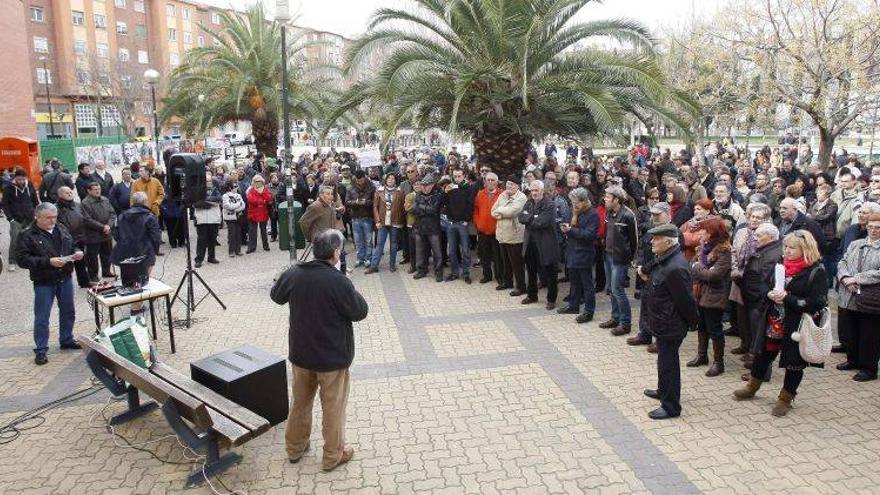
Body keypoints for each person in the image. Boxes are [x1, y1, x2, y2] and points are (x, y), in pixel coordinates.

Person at [270, 229, 368, 472]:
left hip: (301, 354)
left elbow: (276, 295)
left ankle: (295, 447)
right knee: (333, 408)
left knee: (300, 402)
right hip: (331, 358)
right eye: (341, 250)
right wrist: (349, 285)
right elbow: (360, 311)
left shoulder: (295, 273)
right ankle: (333, 455)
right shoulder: (338, 281)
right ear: (335, 253)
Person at [735, 230, 827, 417]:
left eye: (792, 248)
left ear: (805, 249)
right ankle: (752, 386)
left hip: (797, 325)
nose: (787, 251)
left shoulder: (816, 271)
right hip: (774, 320)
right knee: (763, 355)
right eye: (786, 246)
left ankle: (786, 398)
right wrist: (768, 293)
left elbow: (817, 302)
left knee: (794, 364)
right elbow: (765, 284)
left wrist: (788, 299)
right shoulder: (780, 263)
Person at [642, 223, 698, 420]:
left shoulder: (675, 267)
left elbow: (685, 300)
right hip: (662, 322)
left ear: (668, 242)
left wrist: (693, 323)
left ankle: (671, 406)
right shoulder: (665, 258)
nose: (652, 242)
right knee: (664, 360)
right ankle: (663, 390)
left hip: (670, 324)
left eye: (656, 239)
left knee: (669, 363)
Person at [15, 203, 84, 365]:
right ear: (37, 217)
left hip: (65, 277)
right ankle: (41, 349)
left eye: (54, 217)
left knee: (68, 311)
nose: (52, 221)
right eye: (48, 218)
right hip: (44, 281)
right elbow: (22, 259)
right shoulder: (27, 234)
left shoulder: (61, 228)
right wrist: (48, 262)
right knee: (42, 316)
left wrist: (76, 252)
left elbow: (71, 244)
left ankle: (66, 339)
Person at [835, 213, 880, 381]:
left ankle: (868, 368)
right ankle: (852, 360)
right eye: (870, 227)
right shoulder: (856, 244)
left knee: (869, 334)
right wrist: (845, 278)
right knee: (851, 329)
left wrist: (858, 279)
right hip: (849, 293)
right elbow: (843, 262)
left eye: (877, 227)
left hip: (871, 298)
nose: (873, 230)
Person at [688, 217, 732, 377]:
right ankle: (702, 356)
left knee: (715, 329)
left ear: (713, 233)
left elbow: (713, 275)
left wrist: (697, 267)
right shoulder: (704, 247)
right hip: (700, 293)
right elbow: (693, 265)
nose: (702, 233)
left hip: (715, 296)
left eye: (705, 230)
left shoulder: (724, 251)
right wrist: (698, 268)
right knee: (702, 326)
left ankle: (718, 363)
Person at [740, 223, 784, 380]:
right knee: (757, 337)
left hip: (760, 302)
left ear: (771, 237)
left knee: (762, 340)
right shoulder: (766, 250)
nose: (755, 238)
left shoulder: (772, 255)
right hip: (755, 300)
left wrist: (757, 298)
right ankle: (758, 368)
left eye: (759, 236)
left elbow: (765, 281)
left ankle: (762, 373)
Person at [558, 187, 599, 322]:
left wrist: (570, 231)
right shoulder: (573, 210)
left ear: (584, 201)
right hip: (571, 251)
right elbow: (569, 224)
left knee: (587, 285)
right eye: (572, 201)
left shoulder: (593, 214)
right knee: (574, 282)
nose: (573, 204)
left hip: (584, 253)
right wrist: (565, 227)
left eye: (576, 202)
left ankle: (589, 311)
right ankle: (573, 305)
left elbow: (589, 235)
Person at [518, 180, 560, 309]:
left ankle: (551, 299)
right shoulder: (529, 202)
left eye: (536, 190)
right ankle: (532, 295)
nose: (534, 193)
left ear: (542, 190)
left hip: (546, 243)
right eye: (532, 190)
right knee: (531, 271)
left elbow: (543, 222)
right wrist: (533, 217)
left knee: (550, 272)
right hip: (530, 243)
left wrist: (529, 218)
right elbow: (520, 217)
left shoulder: (550, 204)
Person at [602, 186, 637, 336]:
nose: (605, 199)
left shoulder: (628, 215)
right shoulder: (609, 212)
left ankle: (626, 323)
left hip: (620, 259)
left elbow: (634, 240)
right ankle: (615, 318)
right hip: (608, 255)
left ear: (617, 200)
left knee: (618, 290)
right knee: (611, 288)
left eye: (608, 197)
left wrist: (630, 259)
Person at [491, 176, 528, 295]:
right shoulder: (503, 195)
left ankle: (521, 286)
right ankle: (508, 282)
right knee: (505, 261)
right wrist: (503, 211)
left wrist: (500, 211)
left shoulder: (521, 197)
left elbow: (513, 212)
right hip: (502, 234)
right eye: (507, 184)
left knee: (517, 263)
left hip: (515, 235)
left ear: (517, 186)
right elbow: (493, 211)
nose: (509, 186)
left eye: (512, 184)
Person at [111, 192, 162, 275]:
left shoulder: (122, 216)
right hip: (145, 251)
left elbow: (116, 234)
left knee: (127, 281)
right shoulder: (150, 217)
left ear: (133, 201)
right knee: (143, 281)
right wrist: (155, 250)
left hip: (125, 251)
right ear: (146, 201)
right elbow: (156, 236)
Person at [2, 167, 40, 273]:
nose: (21, 181)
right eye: (19, 179)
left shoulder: (30, 185)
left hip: (30, 217)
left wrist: (37, 213)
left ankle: (31, 258)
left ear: (26, 178)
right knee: (15, 239)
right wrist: (11, 219)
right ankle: (12, 261)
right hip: (16, 219)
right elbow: (5, 204)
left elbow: (35, 200)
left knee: (32, 238)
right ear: (15, 178)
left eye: (23, 179)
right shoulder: (9, 187)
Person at [367, 173, 405, 273]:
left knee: (393, 244)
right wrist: (377, 221)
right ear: (386, 180)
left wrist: (401, 220)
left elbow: (402, 207)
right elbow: (375, 207)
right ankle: (374, 266)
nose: (391, 180)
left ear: (395, 180)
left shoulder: (400, 192)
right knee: (379, 244)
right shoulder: (379, 191)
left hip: (395, 222)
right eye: (389, 178)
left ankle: (392, 265)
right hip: (382, 222)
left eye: (393, 178)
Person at [80, 182, 117, 282]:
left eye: (99, 189)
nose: (97, 191)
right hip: (93, 234)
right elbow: (87, 219)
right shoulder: (85, 203)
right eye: (95, 189)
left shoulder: (105, 199)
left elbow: (112, 214)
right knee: (92, 257)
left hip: (107, 233)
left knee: (107, 254)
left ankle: (106, 271)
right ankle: (93, 274)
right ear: (89, 191)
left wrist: (109, 225)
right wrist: (102, 227)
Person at [55, 186, 91, 288]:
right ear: (60, 195)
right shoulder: (56, 208)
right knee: (67, 262)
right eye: (67, 193)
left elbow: (85, 218)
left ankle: (84, 282)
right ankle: (65, 283)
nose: (70, 194)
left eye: (70, 192)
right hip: (65, 239)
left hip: (80, 237)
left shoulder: (78, 205)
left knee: (81, 262)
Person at [443, 168, 474, 283]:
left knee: (465, 250)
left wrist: (467, 219)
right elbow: (444, 203)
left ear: (463, 176)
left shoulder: (468, 188)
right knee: (451, 250)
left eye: (459, 176)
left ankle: (466, 273)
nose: (457, 178)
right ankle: (454, 272)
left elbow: (471, 205)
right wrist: (445, 192)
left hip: (462, 223)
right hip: (451, 223)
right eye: (455, 176)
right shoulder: (450, 187)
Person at [473, 172, 503, 285]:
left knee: (497, 257)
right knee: (484, 255)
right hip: (482, 231)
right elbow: (475, 209)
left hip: (496, 231)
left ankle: (499, 276)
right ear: (485, 182)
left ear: (497, 182)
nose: (490, 182)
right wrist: (477, 222)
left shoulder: (502, 194)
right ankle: (487, 275)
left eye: (492, 180)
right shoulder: (480, 194)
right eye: (488, 180)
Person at [413, 174, 444, 282]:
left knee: (437, 251)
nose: (425, 187)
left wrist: (422, 208)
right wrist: (425, 209)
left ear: (432, 185)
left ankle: (439, 272)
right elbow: (414, 209)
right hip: (420, 226)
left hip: (433, 227)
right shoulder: (418, 195)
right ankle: (421, 270)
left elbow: (434, 210)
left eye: (427, 185)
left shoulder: (438, 195)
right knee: (420, 250)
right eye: (423, 185)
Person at [345, 170, 375, 267]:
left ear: (364, 177)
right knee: (358, 240)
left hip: (367, 216)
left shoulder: (371, 187)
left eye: (361, 179)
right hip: (355, 217)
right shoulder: (350, 187)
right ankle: (360, 258)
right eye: (358, 180)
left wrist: (365, 202)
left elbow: (374, 202)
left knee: (368, 240)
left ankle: (368, 258)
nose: (360, 181)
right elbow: (347, 202)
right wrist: (356, 202)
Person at [193, 175, 222, 267]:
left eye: (209, 181)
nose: (208, 183)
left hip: (214, 218)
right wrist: (208, 204)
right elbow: (195, 203)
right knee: (201, 240)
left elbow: (219, 199)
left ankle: (211, 257)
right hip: (202, 219)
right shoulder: (197, 190)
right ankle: (199, 259)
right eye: (206, 181)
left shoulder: (216, 190)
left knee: (212, 239)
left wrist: (206, 200)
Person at [246, 175, 273, 253]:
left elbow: (269, 198)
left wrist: (262, 194)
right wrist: (262, 201)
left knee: (264, 231)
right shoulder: (251, 190)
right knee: (252, 232)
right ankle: (251, 247)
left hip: (263, 213)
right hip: (253, 213)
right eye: (256, 182)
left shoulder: (265, 189)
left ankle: (266, 245)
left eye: (259, 182)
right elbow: (251, 200)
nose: (258, 183)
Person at [221, 181, 245, 257]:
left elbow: (243, 205)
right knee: (232, 234)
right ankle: (231, 251)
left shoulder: (238, 195)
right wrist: (238, 205)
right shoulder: (225, 196)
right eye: (234, 186)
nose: (236, 188)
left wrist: (236, 208)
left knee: (238, 233)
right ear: (230, 187)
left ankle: (238, 250)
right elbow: (228, 206)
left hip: (238, 216)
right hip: (230, 217)